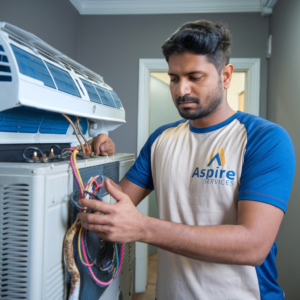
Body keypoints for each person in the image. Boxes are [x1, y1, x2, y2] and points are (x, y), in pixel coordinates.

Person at [78, 20, 295, 300]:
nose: (181, 90)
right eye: (174, 78)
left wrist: (144, 228)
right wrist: (96, 157)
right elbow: (111, 209)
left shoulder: (264, 139)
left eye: (195, 77)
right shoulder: (161, 140)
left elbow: (253, 246)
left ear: (226, 76)